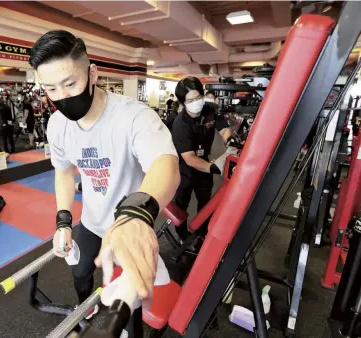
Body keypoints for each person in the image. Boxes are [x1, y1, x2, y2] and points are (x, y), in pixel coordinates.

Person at [29, 30, 180, 316]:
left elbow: (166, 165)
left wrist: (137, 214)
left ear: (93, 74)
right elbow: (63, 173)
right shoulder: (57, 125)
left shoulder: (133, 116)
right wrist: (63, 220)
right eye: (51, 89)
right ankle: (86, 308)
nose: (62, 97)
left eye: (70, 83)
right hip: (91, 220)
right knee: (80, 273)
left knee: (128, 297)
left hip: (127, 224)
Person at [171, 77, 223, 243]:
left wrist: (231, 140)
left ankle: (202, 234)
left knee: (205, 203)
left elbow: (223, 127)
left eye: (199, 98)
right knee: (182, 204)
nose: (196, 103)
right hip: (185, 169)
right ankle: (182, 236)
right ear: (183, 102)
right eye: (191, 100)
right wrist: (214, 168)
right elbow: (190, 159)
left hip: (204, 163)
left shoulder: (210, 109)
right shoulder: (180, 124)